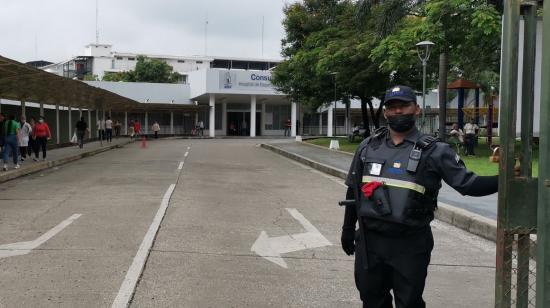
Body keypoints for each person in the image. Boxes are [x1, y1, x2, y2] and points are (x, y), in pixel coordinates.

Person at [341, 85, 498, 308]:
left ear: (416, 109)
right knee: (371, 300)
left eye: (403, 106)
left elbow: (468, 184)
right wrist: (348, 229)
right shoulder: (368, 146)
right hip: (370, 241)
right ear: (385, 112)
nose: (397, 112)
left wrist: (504, 179)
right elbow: (353, 190)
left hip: (410, 242)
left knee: (409, 303)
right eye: (392, 107)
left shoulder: (435, 150)